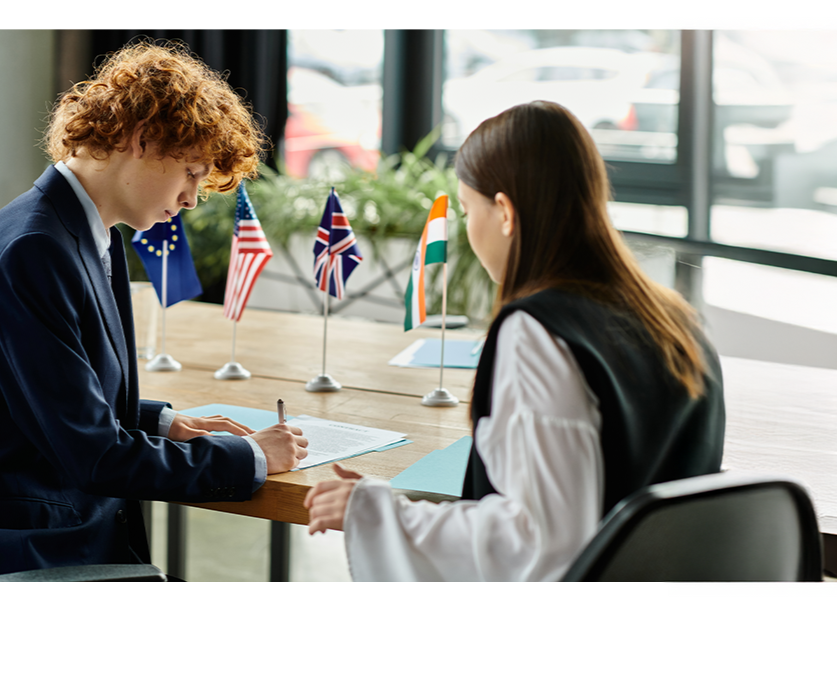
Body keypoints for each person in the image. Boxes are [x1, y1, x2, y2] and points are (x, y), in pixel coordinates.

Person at [0, 41, 307, 581]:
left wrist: (165, 423)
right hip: (15, 547)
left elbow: (60, 399)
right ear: (141, 140)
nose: (194, 197)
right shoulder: (33, 250)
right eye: (192, 172)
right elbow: (94, 456)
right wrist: (252, 458)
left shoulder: (78, 233)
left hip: (50, 524)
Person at [303, 100, 725, 581]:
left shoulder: (536, 333)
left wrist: (378, 511)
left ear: (504, 211)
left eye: (466, 210)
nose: (468, 228)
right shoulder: (678, 320)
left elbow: (539, 543)